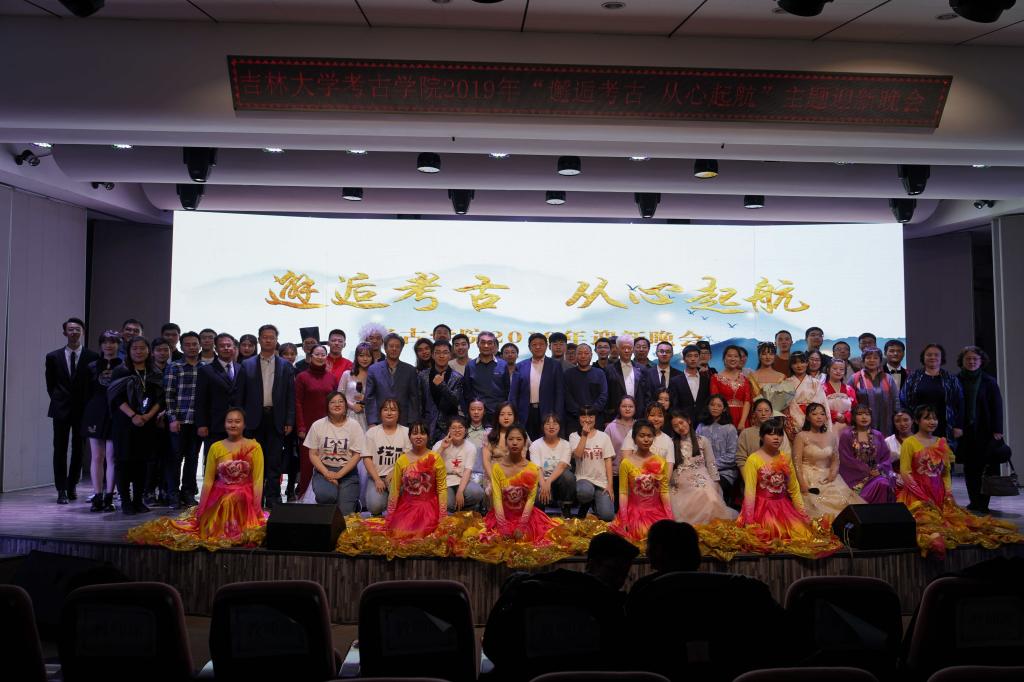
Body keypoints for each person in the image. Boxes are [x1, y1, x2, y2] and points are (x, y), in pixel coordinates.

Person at [127, 407, 267, 550]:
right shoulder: (216, 447)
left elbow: (257, 480)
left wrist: (257, 509)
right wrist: (202, 508)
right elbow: (208, 481)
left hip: (244, 497)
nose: (233, 425)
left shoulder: (254, 447)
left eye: (237, 421)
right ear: (224, 424)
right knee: (221, 506)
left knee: (231, 500)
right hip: (219, 496)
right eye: (229, 421)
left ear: (244, 424)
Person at [897, 405, 1021, 554]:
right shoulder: (909, 443)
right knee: (926, 526)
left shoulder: (941, 442)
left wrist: (948, 493)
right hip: (917, 495)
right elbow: (905, 472)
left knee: (962, 526)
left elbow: (945, 472)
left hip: (939, 493)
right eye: (927, 418)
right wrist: (923, 497)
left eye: (935, 418)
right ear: (917, 421)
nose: (932, 422)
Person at [738, 420, 839, 557]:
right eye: (771, 434)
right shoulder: (753, 459)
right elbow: (750, 493)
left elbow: (794, 489)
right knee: (772, 534)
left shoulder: (785, 458)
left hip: (783, 506)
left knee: (802, 534)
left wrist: (803, 515)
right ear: (761, 436)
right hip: (762, 509)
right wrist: (749, 523)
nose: (776, 438)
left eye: (779, 434)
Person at [240, 324, 295, 509]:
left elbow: (290, 396)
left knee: (274, 461)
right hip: (253, 420)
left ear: (276, 340)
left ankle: (273, 497)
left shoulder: (285, 366)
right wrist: (240, 420)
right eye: (265, 337)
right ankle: (254, 497)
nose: (268, 340)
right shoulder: (247, 365)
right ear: (259, 339)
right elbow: (239, 395)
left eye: (272, 337)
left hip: (276, 419)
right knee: (253, 461)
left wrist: (289, 420)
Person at [108, 336, 165, 515]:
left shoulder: (155, 372)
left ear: (148, 351)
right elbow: (116, 397)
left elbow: (160, 399)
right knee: (124, 463)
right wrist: (133, 415)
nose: (139, 351)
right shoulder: (121, 371)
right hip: (125, 423)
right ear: (129, 350)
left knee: (143, 463)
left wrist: (147, 416)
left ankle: (138, 500)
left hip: (147, 423)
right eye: (135, 348)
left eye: (142, 348)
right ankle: (126, 501)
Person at [45, 317, 98, 504]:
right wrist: (59, 399)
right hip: (60, 409)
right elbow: (50, 384)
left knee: (78, 449)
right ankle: (61, 489)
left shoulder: (92, 356)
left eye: (77, 329)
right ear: (65, 333)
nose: (74, 332)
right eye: (71, 329)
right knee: (59, 449)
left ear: (82, 332)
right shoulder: (53, 356)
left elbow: (93, 384)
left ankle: (72, 485)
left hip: (83, 409)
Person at [481, 424, 560, 542]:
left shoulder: (532, 469)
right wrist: (502, 526)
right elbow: (496, 498)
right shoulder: (497, 468)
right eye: (511, 439)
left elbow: (530, 500)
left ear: (524, 443)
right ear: (506, 442)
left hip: (526, 518)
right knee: (493, 540)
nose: (514, 443)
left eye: (519, 439)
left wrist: (522, 525)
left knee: (530, 540)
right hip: (502, 516)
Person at [792, 403, 864, 520]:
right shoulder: (801, 436)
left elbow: (836, 459)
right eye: (814, 414)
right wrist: (802, 483)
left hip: (828, 475)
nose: (819, 417)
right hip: (808, 476)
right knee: (816, 506)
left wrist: (832, 473)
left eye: (822, 414)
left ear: (826, 417)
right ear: (808, 418)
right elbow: (796, 462)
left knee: (844, 501)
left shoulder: (831, 436)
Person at [955, 345, 1004, 512]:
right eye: (968, 359)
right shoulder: (956, 380)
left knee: (984, 467)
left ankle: (983, 503)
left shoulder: (989, 381)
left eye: (975, 359)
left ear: (981, 361)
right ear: (962, 361)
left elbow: (997, 406)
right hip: (964, 431)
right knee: (969, 468)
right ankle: (973, 501)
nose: (972, 362)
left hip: (985, 430)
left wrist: (998, 430)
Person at [608, 420, 673, 543]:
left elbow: (664, 491)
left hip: (656, 512)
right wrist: (624, 519)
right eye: (642, 436)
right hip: (634, 513)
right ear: (634, 438)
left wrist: (670, 517)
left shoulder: (660, 462)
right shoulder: (626, 463)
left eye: (649, 436)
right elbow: (623, 493)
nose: (646, 439)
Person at [668, 411, 737, 525]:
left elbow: (711, 463)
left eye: (681, 422)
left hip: (700, 475)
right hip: (680, 477)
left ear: (688, 421)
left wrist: (715, 482)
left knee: (708, 495)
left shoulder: (702, 440)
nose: (680, 427)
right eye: (675, 426)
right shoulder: (671, 442)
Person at [382, 420, 447, 539]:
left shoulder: (436, 458)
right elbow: (395, 490)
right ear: (409, 437)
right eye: (415, 433)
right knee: (399, 534)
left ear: (428, 436)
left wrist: (442, 517)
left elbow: (442, 489)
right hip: (407, 506)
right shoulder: (402, 460)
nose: (418, 436)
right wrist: (390, 516)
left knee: (423, 535)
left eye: (422, 433)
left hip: (429, 508)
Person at [80, 330, 121, 512]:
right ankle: (97, 495)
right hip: (95, 412)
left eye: (112, 342)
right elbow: (85, 392)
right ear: (101, 345)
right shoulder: (92, 366)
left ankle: (109, 496)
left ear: (118, 345)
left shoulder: (124, 366)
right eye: (105, 342)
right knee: (97, 456)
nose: (108, 345)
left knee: (112, 457)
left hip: (116, 413)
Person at [305, 391, 365, 514]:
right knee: (327, 497)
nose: (337, 405)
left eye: (341, 402)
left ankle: (353, 504)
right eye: (333, 402)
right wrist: (327, 473)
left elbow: (357, 455)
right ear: (327, 406)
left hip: (347, 472)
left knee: (345, 512)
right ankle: (331, 496)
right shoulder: (317, 425)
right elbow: (313, 454)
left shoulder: (354, 425)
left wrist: (339, 474)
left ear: (346, 406)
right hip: (324, 470)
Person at [164, 331, 203, 509]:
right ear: (181, 347)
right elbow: (168, 395)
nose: (192, 347)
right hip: (178, 421)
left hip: (197, 422)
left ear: (200, 346)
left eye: (195, 344)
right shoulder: (174, 367)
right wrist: (172, 418)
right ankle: (173, 494)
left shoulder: (205, 368)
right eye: (187, 344)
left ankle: (188, 493)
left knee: (192, 459)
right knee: (175, 459)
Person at [900, 343, 964, 449]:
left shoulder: (951, 379)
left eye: (936, 355)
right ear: (923, 357)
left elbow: (960, 402)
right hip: (918, 425)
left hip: (945, 426)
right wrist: (907, 421)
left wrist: (958, 426)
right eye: (929, 355)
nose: (932, 357)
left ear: (941, 358)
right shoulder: (913, 377)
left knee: (943, 455)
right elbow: (904, 399)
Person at [294, 344, 336, 498]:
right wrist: (301, 427)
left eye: (323, 354)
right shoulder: (302, 377)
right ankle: (304, 497)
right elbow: (297, 403)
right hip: (308, 427)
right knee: (307, 464)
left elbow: (336, 403)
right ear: (311, 357)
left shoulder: (331, 378)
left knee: (326, 462)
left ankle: (324, 497)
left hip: (328, 427)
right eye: (317, 354)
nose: (320, 357)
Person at [195, 333, 244, 454]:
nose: (226, 348)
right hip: (214, 424)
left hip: (237, 425)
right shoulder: (206, 370)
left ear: (234, 348)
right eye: (222, 346)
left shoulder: (241, 368)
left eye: (229, 345)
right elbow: (200, 400)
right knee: (215, 459)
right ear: (216, 349)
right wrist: (201, 424)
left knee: (235, 460)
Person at [509, 332, 565, 440]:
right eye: (534, 345)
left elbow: (559, 393)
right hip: (525, 412)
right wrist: (513, 414)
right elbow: (513, 394)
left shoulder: (555, 365)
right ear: (529, 347)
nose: (538, 347)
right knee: (525, 441)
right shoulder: (520, 366)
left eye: (541, 344)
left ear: (546, 346)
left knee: (546, 442)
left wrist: (557, 415)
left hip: (548, 412)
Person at [837, 403, 896, 504]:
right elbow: (845, 459)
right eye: (860, 414)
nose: (864, 417)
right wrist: (867, 470)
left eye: (867, 414)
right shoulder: (846, 435)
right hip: (855, 478)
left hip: (877, 474)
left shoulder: (878, 435)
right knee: (880, 483)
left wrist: (879, 469)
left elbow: (886, 458)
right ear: (853, 417)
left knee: (883, 483)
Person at [362, 399, 411, 516]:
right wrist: (377, 479)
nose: (389, 413)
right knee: (375, 506)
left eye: (393, 410)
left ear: (399, 413)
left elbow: (408, 457)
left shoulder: (406, 432)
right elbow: (367, 458)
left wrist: (394, 472)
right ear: (380, 413)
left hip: (399, 476)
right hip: (376, 476)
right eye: (385, 410)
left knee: (399, 498)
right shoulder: (372, 432)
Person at [365, 332, 421, 427]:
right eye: (391, 346)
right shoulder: (373, 369)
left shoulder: (410, 370)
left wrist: (413, 422)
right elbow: (370, 397)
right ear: (385, 348)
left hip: (404, 422)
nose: (394, 349)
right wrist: (372, 421)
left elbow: (414, 399)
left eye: (397, 346)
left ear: (401, 349)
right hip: (379, 421)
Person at [570, 407, 616, 521]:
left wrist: (610, 485)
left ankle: (594, 506)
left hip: (601, 482)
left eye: (590, 416)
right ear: (579, 418)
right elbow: (578, 455)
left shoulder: (603, 436)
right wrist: (584, 435)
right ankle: (586, 505)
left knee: (608, 516)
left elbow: (608, 460)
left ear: (595, 418)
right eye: (584, 416)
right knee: (585, 492)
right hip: (583, 479)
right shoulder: (574, 436)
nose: (587, 419)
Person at [528, 413, 575, 518]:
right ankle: (540, 515)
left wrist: (548, 482)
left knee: (568, 476)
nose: (551, 426)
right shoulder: (535, 444)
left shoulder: (566, 444)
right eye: (548, 423)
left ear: (560, 426)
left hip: (559, 483)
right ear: (542, 426)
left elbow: (562, 465)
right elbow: (537, 468)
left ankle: (566, 509)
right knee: (535, 487)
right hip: (541, 481)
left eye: (555, 423)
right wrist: (543, 485)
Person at [696, 394, 739, 505]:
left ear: (724, 409)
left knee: (710, 488)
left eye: (719, 405)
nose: (715, 408)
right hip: (703, 469)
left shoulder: (730, 428)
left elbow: (732, 456)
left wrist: (711, 466)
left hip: (724, 472)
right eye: (712, 405)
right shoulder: (701, 426)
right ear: (708, 406)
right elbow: (695, 450)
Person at [419, 339, 464, 443]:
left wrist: (442, 385)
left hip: (448, 427)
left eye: (445, 352)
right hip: (427, 426)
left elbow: (455, 401)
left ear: (450, 355)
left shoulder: (457, 378)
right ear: (433, 355)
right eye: (438, 352)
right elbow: (419, 402)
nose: (441, 356)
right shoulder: (422, 375)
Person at [436, 417, 484, 513]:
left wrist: (460, 492)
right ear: (448, 430)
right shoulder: (439, 444)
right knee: (448, 503)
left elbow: (467, 471)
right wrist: (442, 448)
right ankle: (454, 510)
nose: (457, 430)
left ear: (465, 430)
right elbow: (432, 464)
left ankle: (464, 509)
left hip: (462, 479)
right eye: (453, 428)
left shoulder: (470, 447)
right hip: (445, 480)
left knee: (477, 492)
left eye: (460, 427)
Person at [848, 346, 899, 436]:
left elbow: (896, 399)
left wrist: (898, 416)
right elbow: (848, 401)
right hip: (861, 422)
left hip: (885, 421)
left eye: (875, 358)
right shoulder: (855, 378)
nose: (872, 360)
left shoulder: (888, 378)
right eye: (868, 358)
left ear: (880, 361)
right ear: (863, 360)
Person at [780, 351, 830, 441]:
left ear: (807, 363)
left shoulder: (815, 382)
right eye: (795, 363)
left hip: (814, 419)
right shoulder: (786, 383)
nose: (799, 366)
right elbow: (785, 406)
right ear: (791, 366)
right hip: (794, 420)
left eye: (802, 362)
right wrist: (798, 419)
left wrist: (812, 416)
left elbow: (823, 403)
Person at [464, 331, 509, 422]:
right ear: (477, 344)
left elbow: (507, 390)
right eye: (483, 342)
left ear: (494, 345)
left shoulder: (503, 365)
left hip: (498, 413)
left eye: (489, 343)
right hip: (478, 415)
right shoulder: (470, 365)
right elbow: (467, 392)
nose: (486, 346)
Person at [603, 334, 648, 424]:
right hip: (615, 417)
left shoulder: (642, 369)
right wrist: (607, 419)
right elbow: (606, 395)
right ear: (618, 349)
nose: (627, 351)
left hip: (639, 416)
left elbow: (646, 393)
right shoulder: (609, 369)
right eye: (623, 348)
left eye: (629, 348)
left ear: (633, 349)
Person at [564, 342, 608, 431]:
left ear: (591, 355)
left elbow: (603, 395)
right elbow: (567, 397)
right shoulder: (568, 374)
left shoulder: (599, 373)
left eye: (586, 353)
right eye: (580, 353)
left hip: (596, 419)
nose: (583, 356)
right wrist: (581, 414)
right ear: (576, 355)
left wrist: (591, 413)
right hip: (574, 419)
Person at [737, 397, 789, 470]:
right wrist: (747, 475)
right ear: (754, 413)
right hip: (751, 472)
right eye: (759, 410)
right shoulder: (746, 433)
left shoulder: (779, 431)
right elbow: (741, 459)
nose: (763, 413)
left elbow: (786, 455)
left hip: (777, 472)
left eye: (766, 410)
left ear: (771, 413)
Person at [711, 345, 753, 430]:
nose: (733, 359)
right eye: (729, 356)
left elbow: (747, 401)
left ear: (740, 359)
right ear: (724, 358)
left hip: (742, 418)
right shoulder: (715, 378)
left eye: (736, 356)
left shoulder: (745, 379)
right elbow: (715, 401)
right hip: (723, 418)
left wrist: (742, 421)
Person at [604, 395, 637, 495]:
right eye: (624, 406)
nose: (627, 409)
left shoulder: (640, 426)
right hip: (615, 474)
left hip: (637, 474)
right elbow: (605, 453)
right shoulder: (611, 427)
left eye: (630, 406)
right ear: (619, 408)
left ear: (635, 408)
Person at [669, 344, 710, 422]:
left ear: (699, 358)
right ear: (684, 359)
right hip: (683, 422)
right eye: (689, 356)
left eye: (696, 356)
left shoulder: (706, 380)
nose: (693, 359)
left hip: (703, 422)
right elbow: (673, 405)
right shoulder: (675, 381)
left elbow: (707, 402)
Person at [339, 342, 373, 432]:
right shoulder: (347, 374)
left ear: (372, 358)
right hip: (348, 415)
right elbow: (339, 396)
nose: (365, 359)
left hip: (367, 417)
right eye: (361, 355)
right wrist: (352, 406)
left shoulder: (374, 376)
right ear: (356, 357)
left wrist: (365, 399)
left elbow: (378, 398)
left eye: (368, 356)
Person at [823, 358, 857, 435]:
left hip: (847, 425)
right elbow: (819, 407)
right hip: (828, 425)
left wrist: (846, 416)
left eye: (841, 369)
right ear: (828, 370)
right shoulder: (821, 388)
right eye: (835, 369)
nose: (838, 371)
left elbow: (855, 408)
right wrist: (835, 415)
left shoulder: (850, 389)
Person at [885, 408, 915, 472]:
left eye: (906, 420)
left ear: (912, 421)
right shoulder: (888, 441)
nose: (902, 424)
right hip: (895, 476)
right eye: (897, 421)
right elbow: (884, 465)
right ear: (894, 423)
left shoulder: (920, 440)